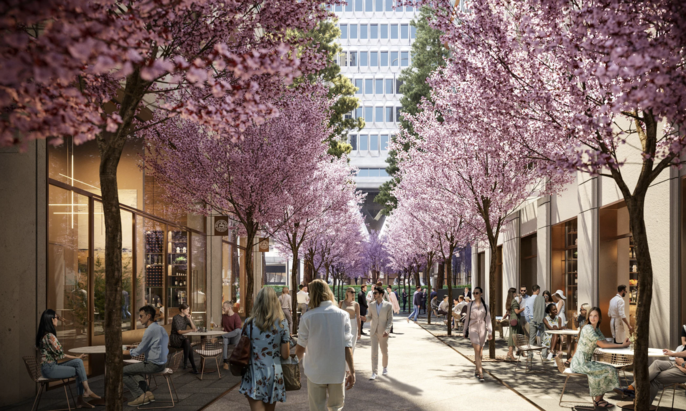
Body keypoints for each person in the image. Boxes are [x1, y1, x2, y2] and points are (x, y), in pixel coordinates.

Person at [296, 280, 355, 411]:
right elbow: (347, 346)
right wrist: (352, 371)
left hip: (315, 371)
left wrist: (294, 367)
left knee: (317, 408)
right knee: (336, 407)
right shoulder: (343, 315)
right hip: (336, 371)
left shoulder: (307, 317)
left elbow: (300, 348)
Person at [239, 287, 291, 411]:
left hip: (254, 371)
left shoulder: (249, 323)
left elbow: (242, 348)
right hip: (273, 372)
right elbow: (285, 355)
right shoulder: (282, 324)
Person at [36, 309, 101, 409]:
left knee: (78, 362)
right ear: (51, 320)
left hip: (49, 367)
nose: (58, 320)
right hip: (50, 369)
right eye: (56, 318)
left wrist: (77, 357)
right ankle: (85, 393)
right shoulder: (50, 336)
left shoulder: (44, 335)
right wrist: (76, 357)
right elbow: (61, 354)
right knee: (79, 369)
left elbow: (59, 355)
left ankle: (83, 396)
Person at [569, 307, 629, 409]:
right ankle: (599, 400)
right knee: (609, 369)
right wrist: (622, 345)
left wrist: (622, 343)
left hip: (587, 361)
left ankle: (599, 399)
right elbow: (602, 344)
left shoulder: (596, 329)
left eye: (595, 315)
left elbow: (605, 341)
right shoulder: (587, 328)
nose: (593, 318)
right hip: (580, 362)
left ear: (599, 317)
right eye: (591, 315)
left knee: (610, 368)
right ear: (588, 317)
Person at [124, 305, 169, 406]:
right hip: (162, 363)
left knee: (121, 372)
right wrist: (134, 346)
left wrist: (123, 352)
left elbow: (138, 352)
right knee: (134, 370)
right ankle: (148, 393)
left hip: (153, 364)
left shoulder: (150, 330)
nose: (139, 318)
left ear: (148, 316)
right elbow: (155, 344)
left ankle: (140, 396)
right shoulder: (160, 328)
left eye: (141, 316)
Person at [615, 347, 686, 403]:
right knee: (657, 363)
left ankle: (645, 405)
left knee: (655, 378)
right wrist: (672, 354)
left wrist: (682, 364)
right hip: (679, 364)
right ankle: (632, 388)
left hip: (684, 370)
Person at [463, 287, 492, 382]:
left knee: (480, 352)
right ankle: (481, 372)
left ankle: (476, 368)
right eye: (474, 293)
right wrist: (464, 331)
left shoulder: (485, 306)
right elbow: (467, 319)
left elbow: (488, 319)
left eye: (477, 293)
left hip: (482, 328)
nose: (475, 295)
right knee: (477, 349)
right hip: (472, 328)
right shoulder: (470, 305)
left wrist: (490, 331)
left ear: (481, 294)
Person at [367, 286, 393, 380]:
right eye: (373, 293)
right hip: (373, 331)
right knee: (374, 352)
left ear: (381, 294)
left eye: (375, 293)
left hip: (383, 332)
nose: (374, 294)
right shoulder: (371, 304)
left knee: (384, 352)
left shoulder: (388, 305)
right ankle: (374, 372)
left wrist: (387, 330)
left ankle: (385, 367)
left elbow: (390, 320)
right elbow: (369, 317)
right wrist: (365, 319)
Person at [339, 287, 361, 364]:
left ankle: (348, 368)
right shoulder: (341, 303)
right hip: (343, 324)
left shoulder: (356, 304)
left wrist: (359, 332)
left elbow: (358, 318)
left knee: (351, 346)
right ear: (347, 292)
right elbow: (338, 315)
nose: (353, 293)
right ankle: (343, 366)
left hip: (353, 325)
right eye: (351, 292)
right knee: (342, 345)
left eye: (354, 292)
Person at [503, 288, 524, 361]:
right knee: (513, 337)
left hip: (512, 319)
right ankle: (511, 353)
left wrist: (519, 302)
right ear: (513, 293)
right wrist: (523, 309)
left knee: (513, 336)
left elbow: (511, 310)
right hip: (515, 320)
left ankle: (509, 353)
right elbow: (517, 311)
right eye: (515, 293)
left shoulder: (509, 301)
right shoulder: (514, 301)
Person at [221, 300, 243, 370]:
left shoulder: (236, 316)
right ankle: (225, 361)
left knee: (238, 331)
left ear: (229, 308)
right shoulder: (224, 316)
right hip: (227, 337)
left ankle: (235, 359)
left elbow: (237, 331)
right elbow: (223, 327)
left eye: (224, 308)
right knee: (225, 339)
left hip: (234, 338)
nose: (223, 309)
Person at [529, 285, 548, 360]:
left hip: (532, 320)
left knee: (531, 339)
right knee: (544, 338)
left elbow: (527, 311)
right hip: (541, 320)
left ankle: (530, 356)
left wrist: (530, 320)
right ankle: (544, 356)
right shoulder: (541, 299)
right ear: (538, 290)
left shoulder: (528, 299)